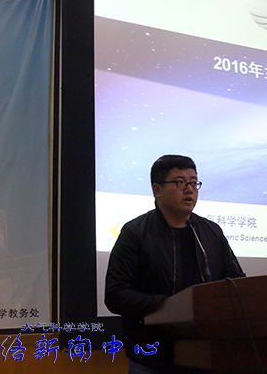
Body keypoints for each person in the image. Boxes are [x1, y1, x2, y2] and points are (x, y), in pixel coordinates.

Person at [105, 154, 245, 374]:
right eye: (179, 182)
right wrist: (169, 305)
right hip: (152, 356)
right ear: (157, 190)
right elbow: (115, 294)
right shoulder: (135, 232)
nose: (189, 190)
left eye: (193, 182)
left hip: (205, 352)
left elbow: (236, 282)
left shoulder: (211, 231)